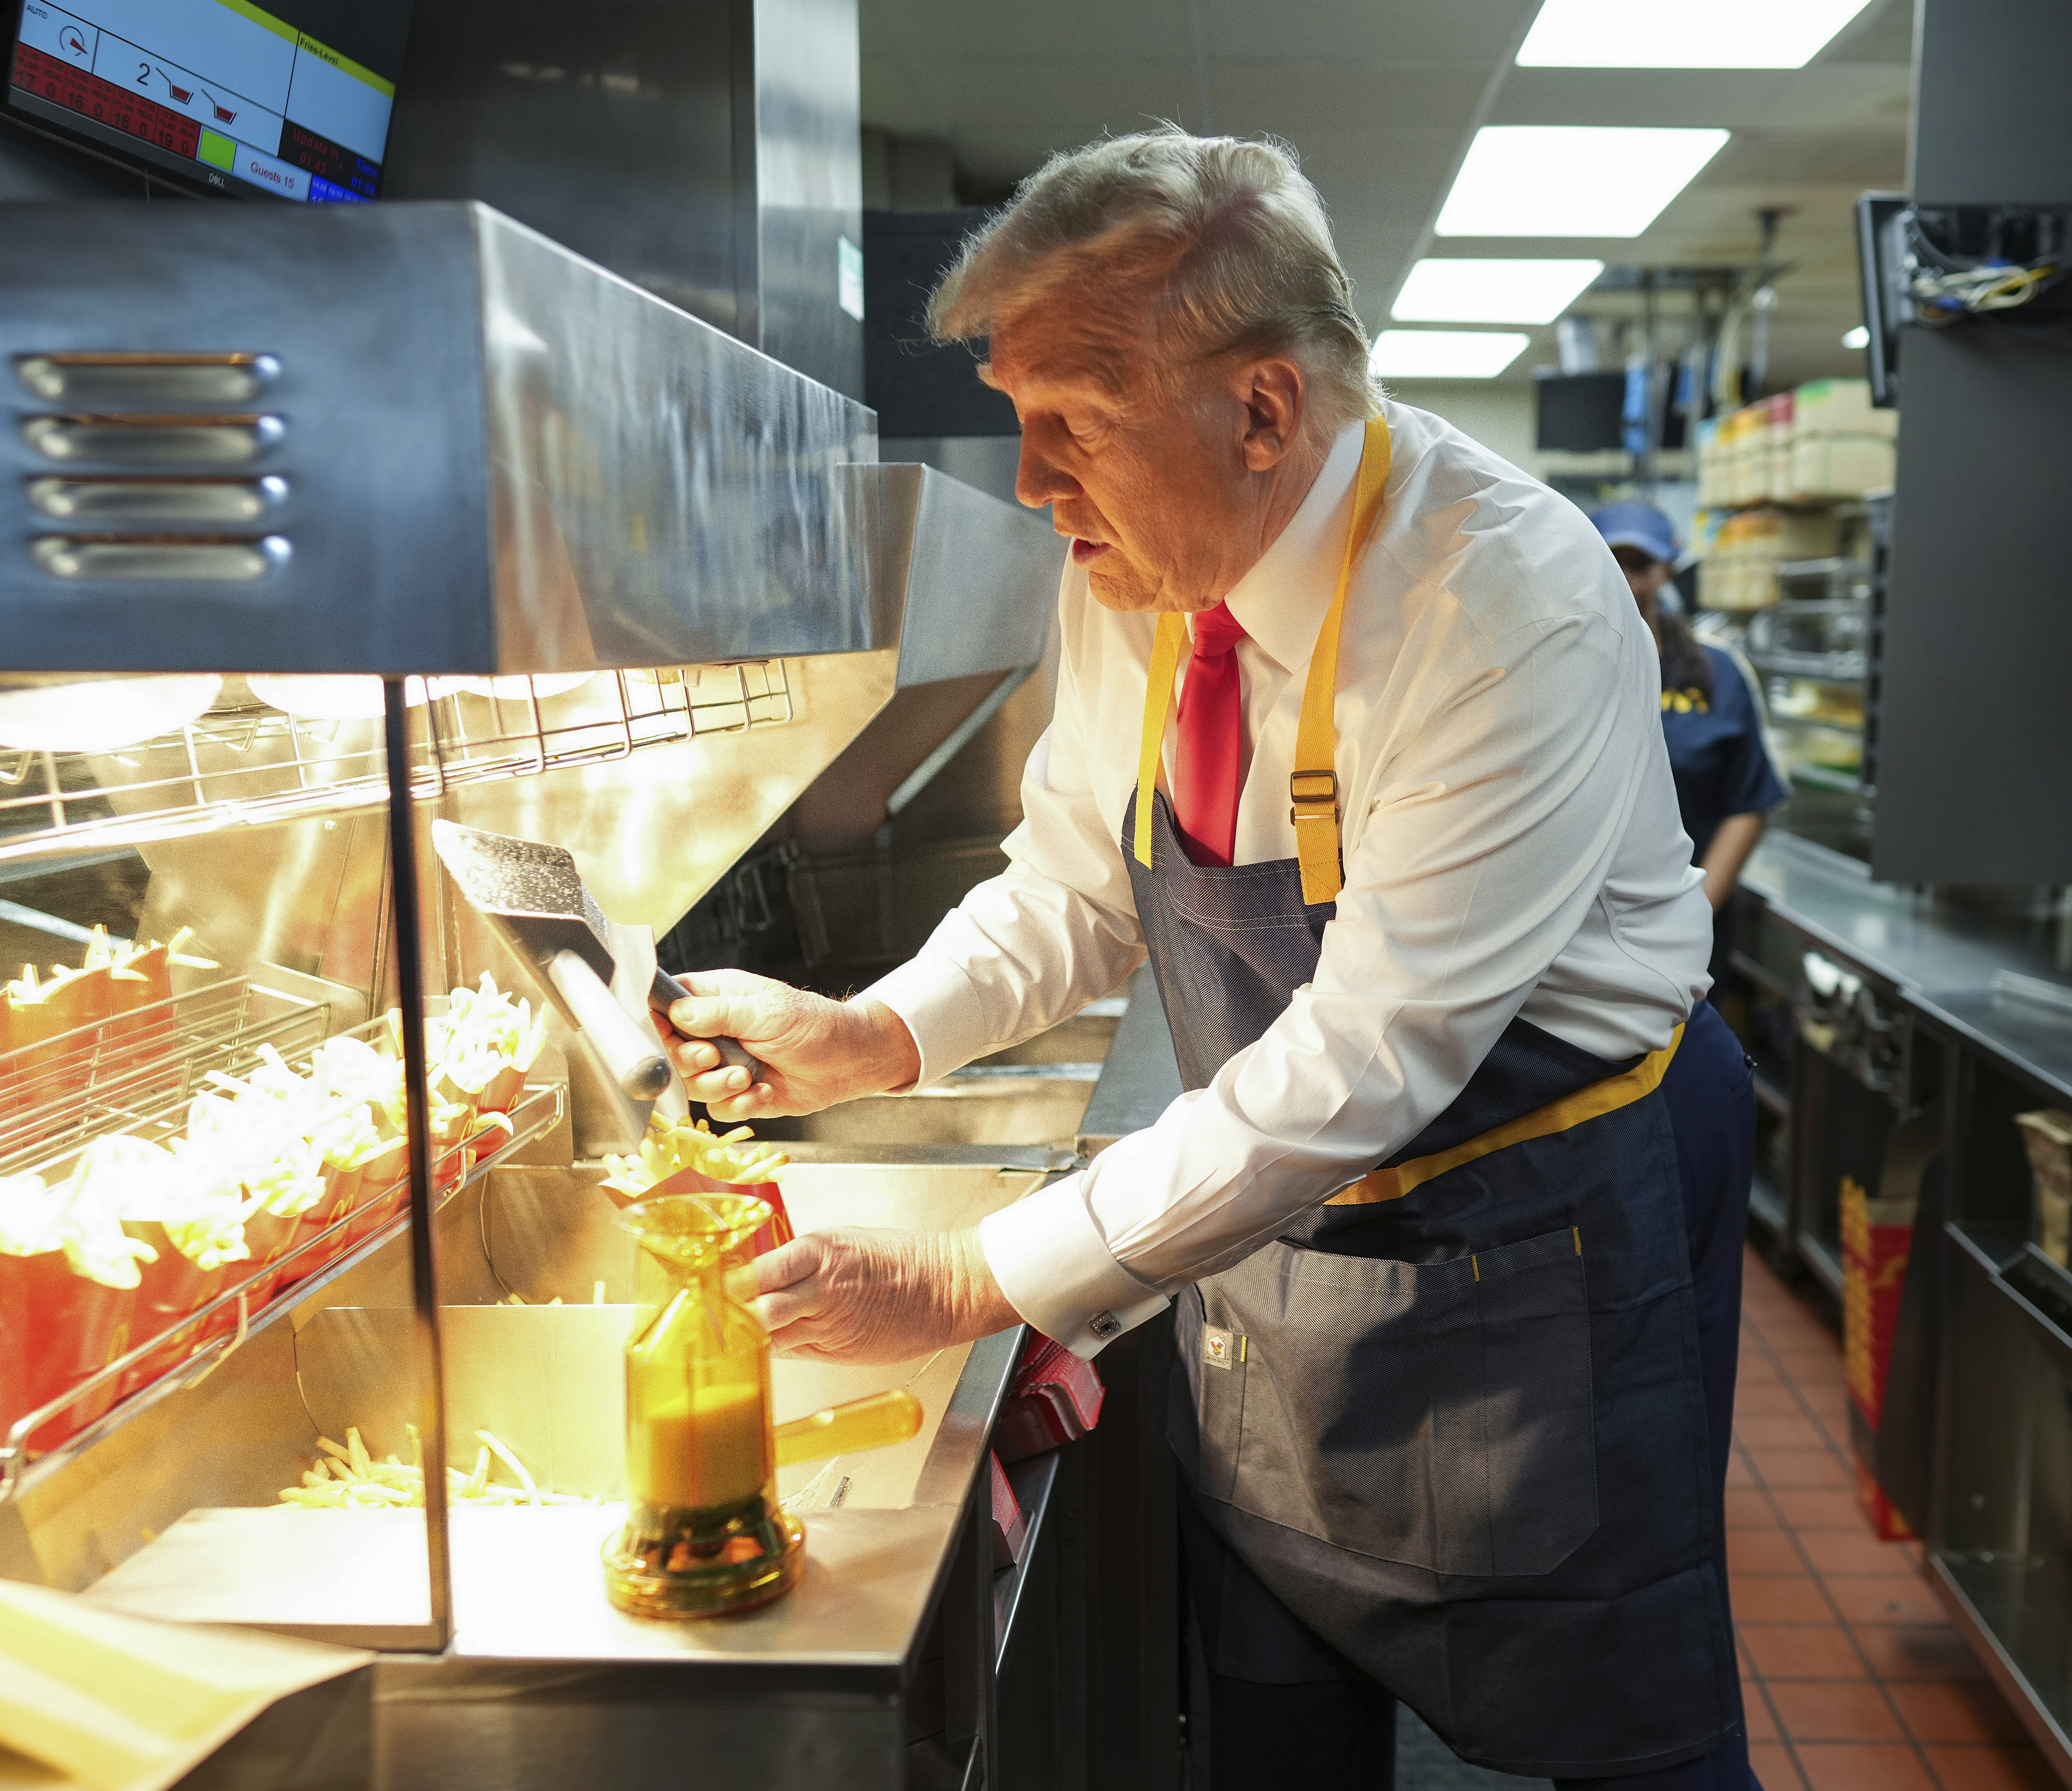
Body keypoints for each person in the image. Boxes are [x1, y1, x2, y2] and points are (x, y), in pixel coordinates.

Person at [658, 131, 1758, 1790]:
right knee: (1275, 1721)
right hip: (1278, 1238)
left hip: (1542, 1224)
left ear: (1259, 410)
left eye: (1071, 425)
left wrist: (971, 1278)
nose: (1029, 483)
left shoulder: (1498, 593)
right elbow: (1075, 882)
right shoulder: (1146, 572)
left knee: (1611, 1735)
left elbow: (1373, 1054)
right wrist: (876, 1033)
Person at [1591, 500, 1787, 909]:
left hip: (1685, 918)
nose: (1626, 580)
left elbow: (1746, 805)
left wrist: (1695, 917)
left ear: (1668, 570)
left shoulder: (1720, 674)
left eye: (1640, 564)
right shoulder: (1565, 669)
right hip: (1576, 930)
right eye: (1612, 562)